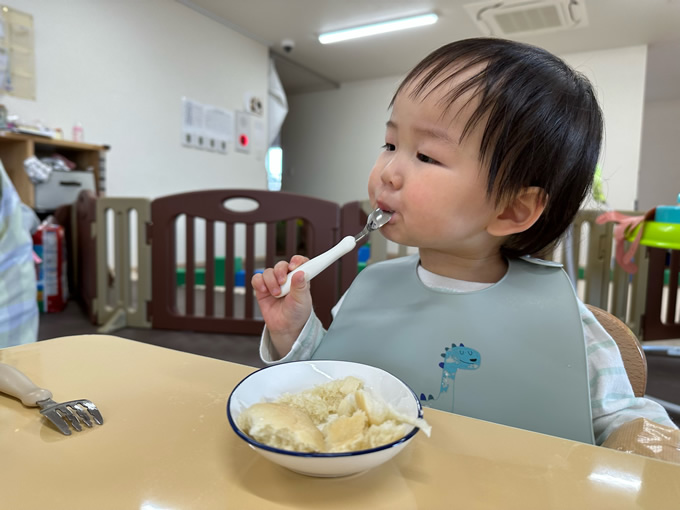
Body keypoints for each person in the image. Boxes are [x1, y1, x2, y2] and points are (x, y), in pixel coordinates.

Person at [252, 38, 678, 447]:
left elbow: (624, 420)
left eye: (426, 156)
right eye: (391, 143)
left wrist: (649, 445)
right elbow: (328, 382)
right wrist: (294, 335)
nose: (387, 171)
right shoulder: (370, 287)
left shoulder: (570, 323)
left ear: (511, 210)